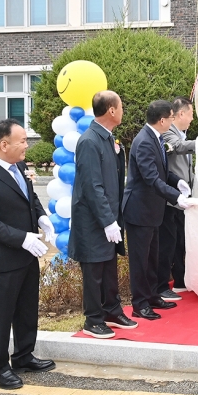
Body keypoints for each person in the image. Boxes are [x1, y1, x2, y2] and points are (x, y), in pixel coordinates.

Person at [0, 120, 56, 390]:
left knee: (27, 309)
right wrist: (22, 238)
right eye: (23, 141)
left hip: (27, 255)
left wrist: (41, 217)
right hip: (2, 260)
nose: (27, 146)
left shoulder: (19, 166)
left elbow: (29, 198)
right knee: (2, 315)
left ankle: (23, 356)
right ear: (4, 144)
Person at [70, 90, 136, 339]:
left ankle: (112, 310)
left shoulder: (107, 138)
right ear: (111, 110)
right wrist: (108, 220)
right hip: (93, 220)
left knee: (108, 267)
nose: (122, 111)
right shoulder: (89, 141)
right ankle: (93, 319)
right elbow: (92, 186)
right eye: (121, 107)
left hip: (108, 216)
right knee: (94, 271)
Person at [123, 100, 183, 320]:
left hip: (152, 211)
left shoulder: (156, 138)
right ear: (162, 120)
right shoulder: (144, 141)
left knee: (152, 258)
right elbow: (151, 178)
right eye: (171, 117)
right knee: (140, 260)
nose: (172, 121)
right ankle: (140, 304)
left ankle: (151, 296)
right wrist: (176, 197)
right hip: (139, 211)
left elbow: (162, 171)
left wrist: (177, 182)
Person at [157, 96, 196, 299]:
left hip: (182, 198)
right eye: (191, 114)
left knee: (181, 239)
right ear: (181, 114)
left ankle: (180, 280)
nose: (192, 119)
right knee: (169, 242)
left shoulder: (182, 134)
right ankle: (164, 284)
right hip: (170, 198)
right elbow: (179, 147)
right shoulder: (169, 133)